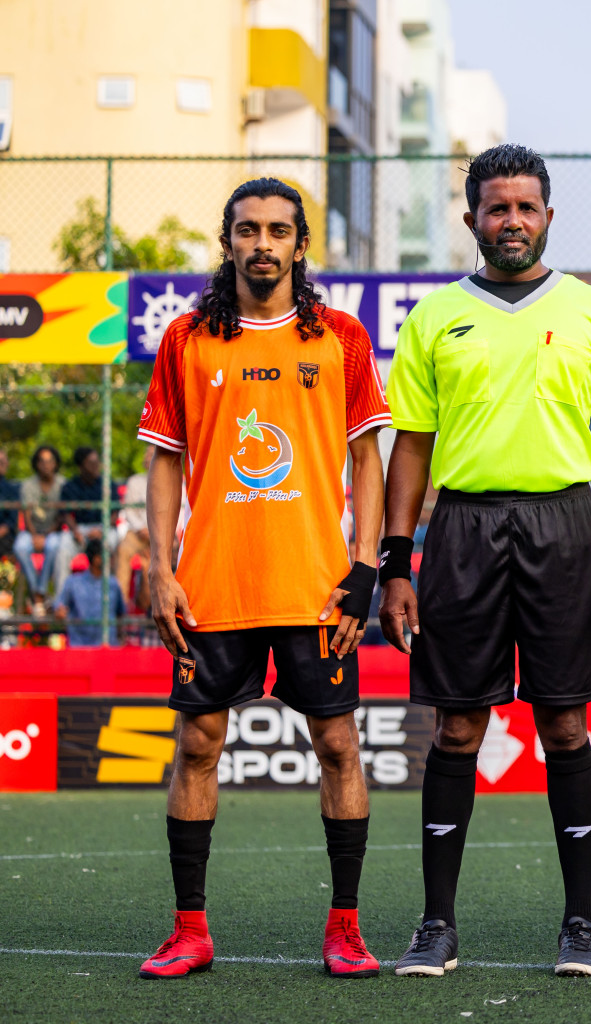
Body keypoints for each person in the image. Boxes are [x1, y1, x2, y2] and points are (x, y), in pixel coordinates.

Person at [380, 144, 591, 979]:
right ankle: (436, 925)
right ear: (471, 219)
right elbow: (411, 445)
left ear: (548, 216)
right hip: (462, 530)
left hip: (564, 526)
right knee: (458, 725)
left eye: (525, 207)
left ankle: (582, 924)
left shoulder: (590, 312)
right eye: (496, 208)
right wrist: (397, 562)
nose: (512, 221)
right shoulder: (434, 317)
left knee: (565, 723)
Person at [136, 177, 391, 980]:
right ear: (228, 241)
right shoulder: (187, 339)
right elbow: (164, 460)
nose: (263, 244)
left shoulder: (341, 338)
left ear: (301, 245)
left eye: (278, 231)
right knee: (197, 745)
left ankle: (346, 929)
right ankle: (189, 930)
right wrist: (160, 567)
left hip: (316, 588)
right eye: (248, 230)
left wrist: (366, 566)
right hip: (213, 584)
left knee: (338, 745)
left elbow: (367, 460)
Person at [14, 445, 77, 597]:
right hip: (31, 532)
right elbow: (27, 515)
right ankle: (36, 589)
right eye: (42, 461)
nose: (46, 465)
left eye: (49, 461)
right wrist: (35, 536)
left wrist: (46, 535)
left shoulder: (63, 484)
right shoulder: (28, 485)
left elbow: (62, 516)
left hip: (53, 532)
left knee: (54, 546)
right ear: (36, 464)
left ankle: (41, 591)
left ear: (55, 463)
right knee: (19, 547)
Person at [52, 537, 124, 647]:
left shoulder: (113, 583)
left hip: (107, 648)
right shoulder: (73, 582)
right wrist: (59, 610)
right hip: (80, 647)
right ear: (96, 559)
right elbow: (59, 606)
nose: (109, 559)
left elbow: (121, 613)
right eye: (106, 556)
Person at [117, 449, 152, 612]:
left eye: (151, 454)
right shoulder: (134, 481)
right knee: (123, 550)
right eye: (146, 454)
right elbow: (128, 510)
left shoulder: (174, 479)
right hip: (137, 533)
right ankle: (121, 604)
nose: (147, 457)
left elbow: (179, 513)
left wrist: (154, 533)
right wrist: (141, 529)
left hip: (162, 534)